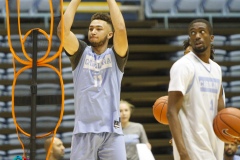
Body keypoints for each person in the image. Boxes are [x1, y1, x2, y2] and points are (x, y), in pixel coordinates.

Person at [57, 0, 129, 159]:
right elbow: (63, 31)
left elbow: (121, 29)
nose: (93, 31)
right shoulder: (81, 53)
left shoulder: (116, 56)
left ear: (110, 34)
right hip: (84, 131)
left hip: (112, 132)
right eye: (91, 28)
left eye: (98, 28)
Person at [167, 19, 225, 160]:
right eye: (193, 33)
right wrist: (183, 153)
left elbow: (221, 110)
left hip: (214, 144)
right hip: (192, 148)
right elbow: (171, 112)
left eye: (201, 31)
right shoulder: (183, 66)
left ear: (211, 38)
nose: (197, 35)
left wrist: (229, 133)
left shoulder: (216, 69)